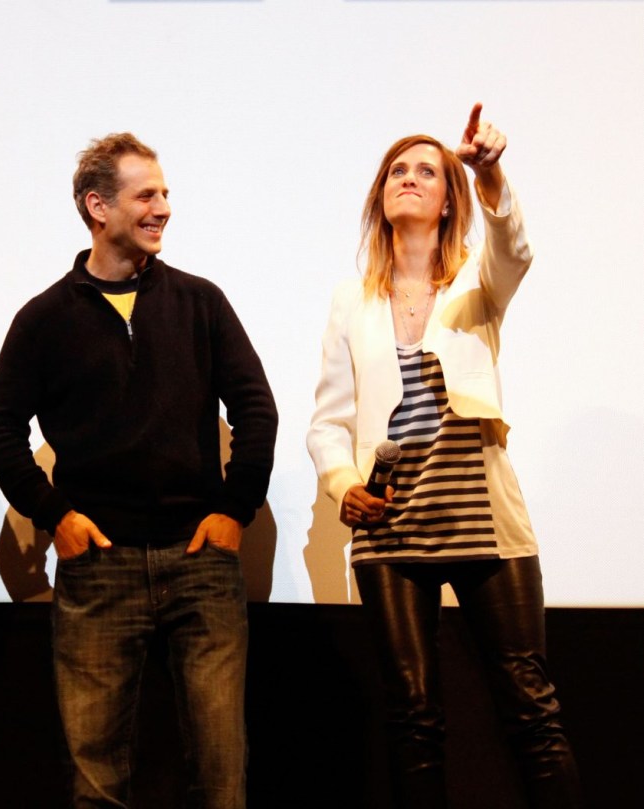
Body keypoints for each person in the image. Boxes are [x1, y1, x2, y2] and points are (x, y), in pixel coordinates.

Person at [0, 133, 277, 808]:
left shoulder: (200, 302)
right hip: (98, 566)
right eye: (147, 195)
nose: (163, 207)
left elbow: (256, 409)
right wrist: (53, 515)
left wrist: (235, 509)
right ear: (97, 206)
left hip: (199, 562)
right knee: (96, 783)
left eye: (165, 193)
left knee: (220, 776)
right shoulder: (44, 318)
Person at [306, 104, 582, 808]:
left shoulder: (475, 285)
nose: (408, 177)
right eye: (396, 169)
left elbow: (514, 249)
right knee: (413, 717)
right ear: (379, 195)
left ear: (448, 197)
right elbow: (328, 421)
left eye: (426, 170)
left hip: (485, 525)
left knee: (530, 709)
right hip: (391, 533)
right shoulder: (351, 301)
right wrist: (340, 480)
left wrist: (489, 174)